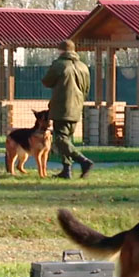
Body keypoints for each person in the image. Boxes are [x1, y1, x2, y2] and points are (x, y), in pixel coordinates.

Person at [42, 40, 93, 178]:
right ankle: (66, 170)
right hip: (77, 107)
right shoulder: (83, 67)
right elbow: (87, 89)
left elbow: (46, 81)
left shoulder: (59, 65)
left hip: (62, 107)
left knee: (60, 139)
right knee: (67, 138)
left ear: (61, 50)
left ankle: (83, 161)